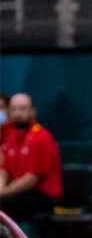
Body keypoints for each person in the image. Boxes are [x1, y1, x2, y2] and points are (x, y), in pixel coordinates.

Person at [1, 93, 62, 222]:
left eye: (23, 109)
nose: (18, 113)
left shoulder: (41, 137)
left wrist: (3, 192)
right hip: (16, 193)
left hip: (40, 196)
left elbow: (30, 180)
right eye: (14, 109)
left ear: (32, 112)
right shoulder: (10, 136)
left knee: (4, 204)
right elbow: (3, 171)